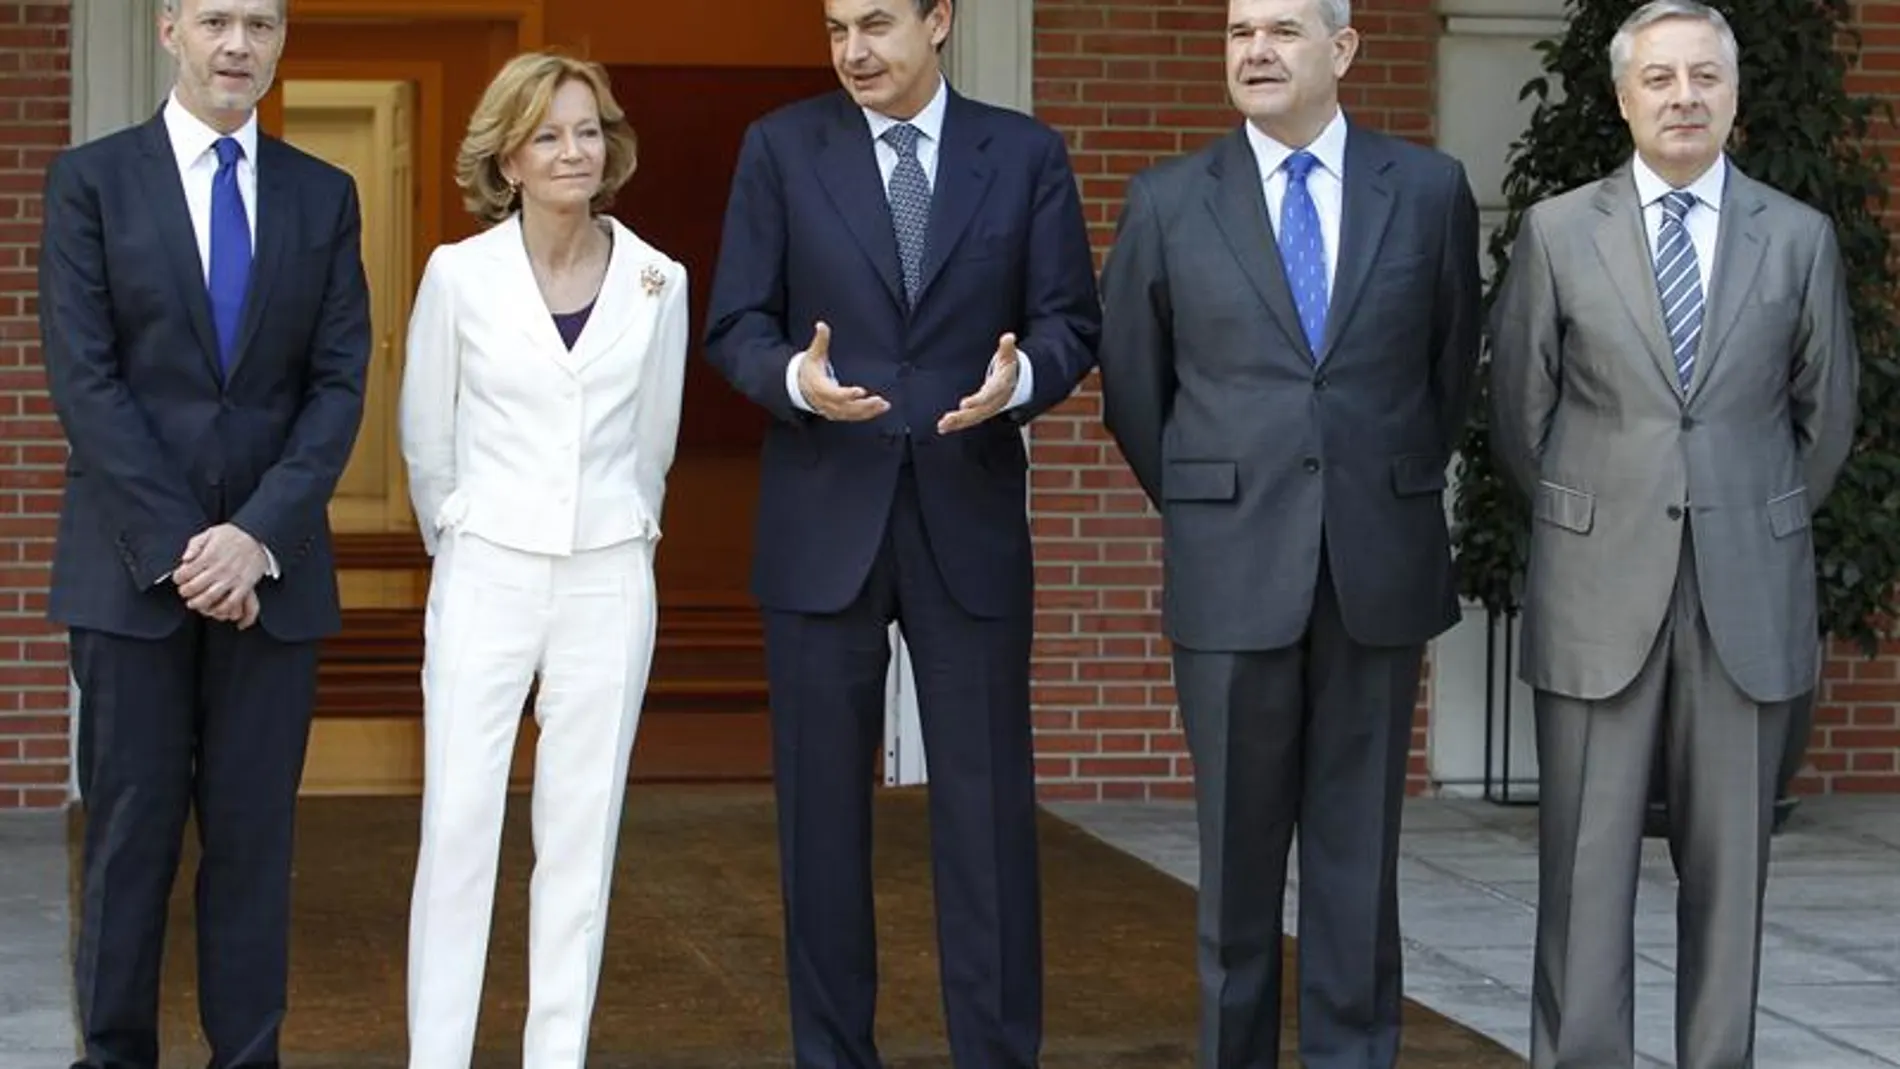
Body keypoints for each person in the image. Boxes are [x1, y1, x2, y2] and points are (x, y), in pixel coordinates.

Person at [703, 0, 1100, 1064]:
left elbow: (1071, 319)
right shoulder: (781, 148)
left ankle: (995, 1050)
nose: (851, 50)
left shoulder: (1023, 155)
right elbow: (735, 321)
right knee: (820, 827)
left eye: (875, 22)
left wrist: (1022, 384)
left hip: (965, 515)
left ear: (940, 21)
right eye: (835, 27)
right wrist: (796, 379)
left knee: (986, 821)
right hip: (821, 518)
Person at [1095, 0, 1481, 1063]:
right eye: (1237, 32)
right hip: (1230, 565)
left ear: (1342, 49)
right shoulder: (1169, 200)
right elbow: (1133, 388)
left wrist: (1370, 483)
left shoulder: (1430, 192)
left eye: (1281, 30)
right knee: (1236, 856)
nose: (1254, 50)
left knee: (1358, 854)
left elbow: (1446, 375)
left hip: (1375, 562)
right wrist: (1210, 497)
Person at [1487, 3, 1859, 1065]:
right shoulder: (1559, 231)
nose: (1683, 96)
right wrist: (1599, 509)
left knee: (1730, 874)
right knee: (1584, 873)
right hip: (1597, 590)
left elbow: (1822, 420)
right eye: (1659, 78)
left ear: (1734, 95)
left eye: (1704, 76)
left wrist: (1747, 510)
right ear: (1622, 97)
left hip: (1746, 590)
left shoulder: (1795, 235)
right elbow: (1521, 414)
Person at [37, 0, 371, 1065]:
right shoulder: (89, 183)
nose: (240, 45)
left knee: (254, 845)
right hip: (132, 575)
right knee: (130, 840)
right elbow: (85, 382)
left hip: (272, 580)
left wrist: (256, 537)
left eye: (262, 24)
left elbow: (337, 385)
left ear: (281, 40)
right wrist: (191, 546)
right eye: (217, 19)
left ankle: (247, 1055)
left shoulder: (325, 197)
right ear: (169, 27)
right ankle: (115, 1053)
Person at [397, 51, 689, 1069]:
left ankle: (552, 1054)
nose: (574, 150)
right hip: (487, 571)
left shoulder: (659, 279)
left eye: (588, 129)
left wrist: (614, 532)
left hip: (608, 574)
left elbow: (654, 444)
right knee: (461, 827)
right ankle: (438, 1052)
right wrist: (469, 531)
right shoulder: (457, 274)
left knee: (580, 839)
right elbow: (426, 437)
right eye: (548, 134)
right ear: (507, 159)